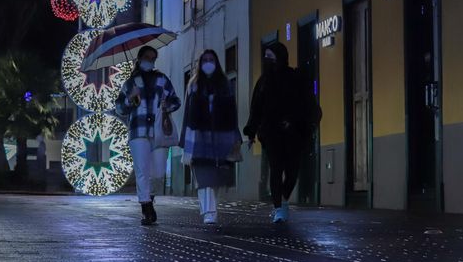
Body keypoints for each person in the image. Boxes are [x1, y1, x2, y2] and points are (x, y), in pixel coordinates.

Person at [243, 42, 320, 223]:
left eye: (272, 57)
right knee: (276, 170)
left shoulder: (296, 78)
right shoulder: (263, 82)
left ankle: (283, 199)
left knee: (292, 171)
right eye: (266, 58)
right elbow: (256, 108)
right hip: (271, 134)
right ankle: (278, 208)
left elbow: (306, 103)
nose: (268, 61)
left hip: (294, 133)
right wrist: (251, 132)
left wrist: (298, 122)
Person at [115, 45, 181, 226]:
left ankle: (149, 197)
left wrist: (167, 105)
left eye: (153, 58)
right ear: (139, 58)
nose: (150, 61)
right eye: (147, 57)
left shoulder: (162, 79)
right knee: (142, 171)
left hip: (159, 131)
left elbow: (176, 101)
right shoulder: (130, 83)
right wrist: (130, 98)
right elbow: (120, 108)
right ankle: (146, 207)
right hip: (139, 131)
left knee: (158, 172)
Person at [180, 50, 242, 224]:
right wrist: (184, 139)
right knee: (203, 174)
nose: (208, 63)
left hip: (220, 137)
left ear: (217, 63)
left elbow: (232, 112)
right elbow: (187, 112)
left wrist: (235, 135)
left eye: (211, 60)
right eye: (205, 60)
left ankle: (210, 208)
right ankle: (209, 211)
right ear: (200, 64)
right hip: (198, 137)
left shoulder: (225, 85)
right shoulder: (193, 84)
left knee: (215, 177)